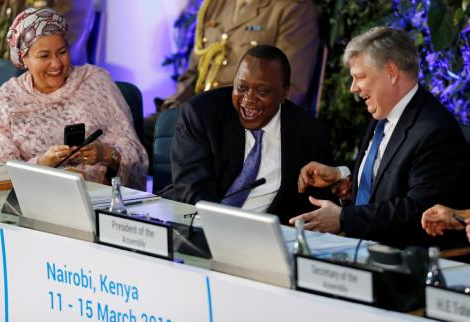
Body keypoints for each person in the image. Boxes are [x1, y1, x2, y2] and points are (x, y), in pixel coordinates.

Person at [289, 26, 470, 248]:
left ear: (391, 73)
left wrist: (344, 218)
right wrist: (343, 178)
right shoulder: (383, 112)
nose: (353, 88)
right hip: (362, 249)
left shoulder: (435, 130)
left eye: (360, 77)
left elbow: (419, 210)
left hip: (400, 262)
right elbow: (384, 187)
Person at [163, 45, 332, 223]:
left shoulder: (310, 134)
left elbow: (315, 205)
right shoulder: (202, 114)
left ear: (284, 93)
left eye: (262, 91)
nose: (248, 99)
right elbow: (192, 190)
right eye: (242, 87)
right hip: (197, 225)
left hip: (263, 240)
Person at [144, 0, 320, 171]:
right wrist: (175, 107)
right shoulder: (216, 4)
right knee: (133, 133)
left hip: (241, 123)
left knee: (175, 133)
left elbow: (289, 91)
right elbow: (194, 74)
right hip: (198, 114)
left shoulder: (293, 9)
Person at [0, 7, 148, 190]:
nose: (56, 64)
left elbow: (136, 156)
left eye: (62, 52)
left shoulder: (96, 82)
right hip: (32, 204)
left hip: (98, 201)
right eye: (44, 56)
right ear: (24, 58)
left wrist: (105, 154)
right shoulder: (4, 101)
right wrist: (42, 164)